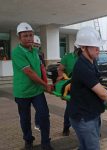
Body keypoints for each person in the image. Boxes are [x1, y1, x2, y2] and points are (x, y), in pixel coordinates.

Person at [68, 26, 107, 150]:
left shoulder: (91, 62)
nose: (98, 49)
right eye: (94, 46)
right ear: (83, 48)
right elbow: (101, 93)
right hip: (84, 118)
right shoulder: (82, 66)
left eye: (98, 46)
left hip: (90, 114)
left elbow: (98, 87)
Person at [12, 22, 53, 150]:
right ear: (19, 37)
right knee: (25, 119)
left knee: (44, 115)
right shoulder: (17, 52)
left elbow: (40, 69)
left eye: (30, 35)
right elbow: (29, 72)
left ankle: (45, 142)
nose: (29, 38)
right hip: (22, 92)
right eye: (25, 36)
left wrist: (46, 83)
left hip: (37, 91)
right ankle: (28, 140)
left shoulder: (35, 51)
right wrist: (45, 84)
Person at [56, 49, 79, 136]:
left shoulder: (87, 56)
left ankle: (94, 129)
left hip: (85, 85)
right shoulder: (67, 57)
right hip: (71, 86)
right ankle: (66, 127)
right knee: (70, 108)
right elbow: (60, 69)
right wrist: (63, 76)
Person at [33, 35, 48, 131]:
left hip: (40, 85)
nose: (36, 47)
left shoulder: (40, 55)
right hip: (32, 86)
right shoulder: (28, 55)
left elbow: (43, 70)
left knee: (42, 109)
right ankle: (37, 124)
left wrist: (45, 83)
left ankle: (39, 123)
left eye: (38, 46)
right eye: (35, 45)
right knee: (40, 109)